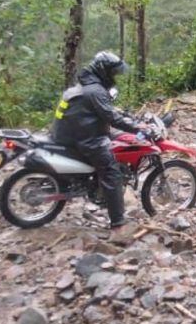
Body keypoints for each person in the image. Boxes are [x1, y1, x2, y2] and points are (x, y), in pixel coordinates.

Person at [51, 51, 149, 231]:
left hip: (74, 132)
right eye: (113, 72)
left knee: (118, 138)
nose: (114, 76)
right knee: (112, 172)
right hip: (85, 138)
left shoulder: (87, 86)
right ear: (104, 71)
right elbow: (112, 118)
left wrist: (125, 118)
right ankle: (118, 222)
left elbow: (106, 111)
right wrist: (138, 128)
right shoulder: (95, 90)